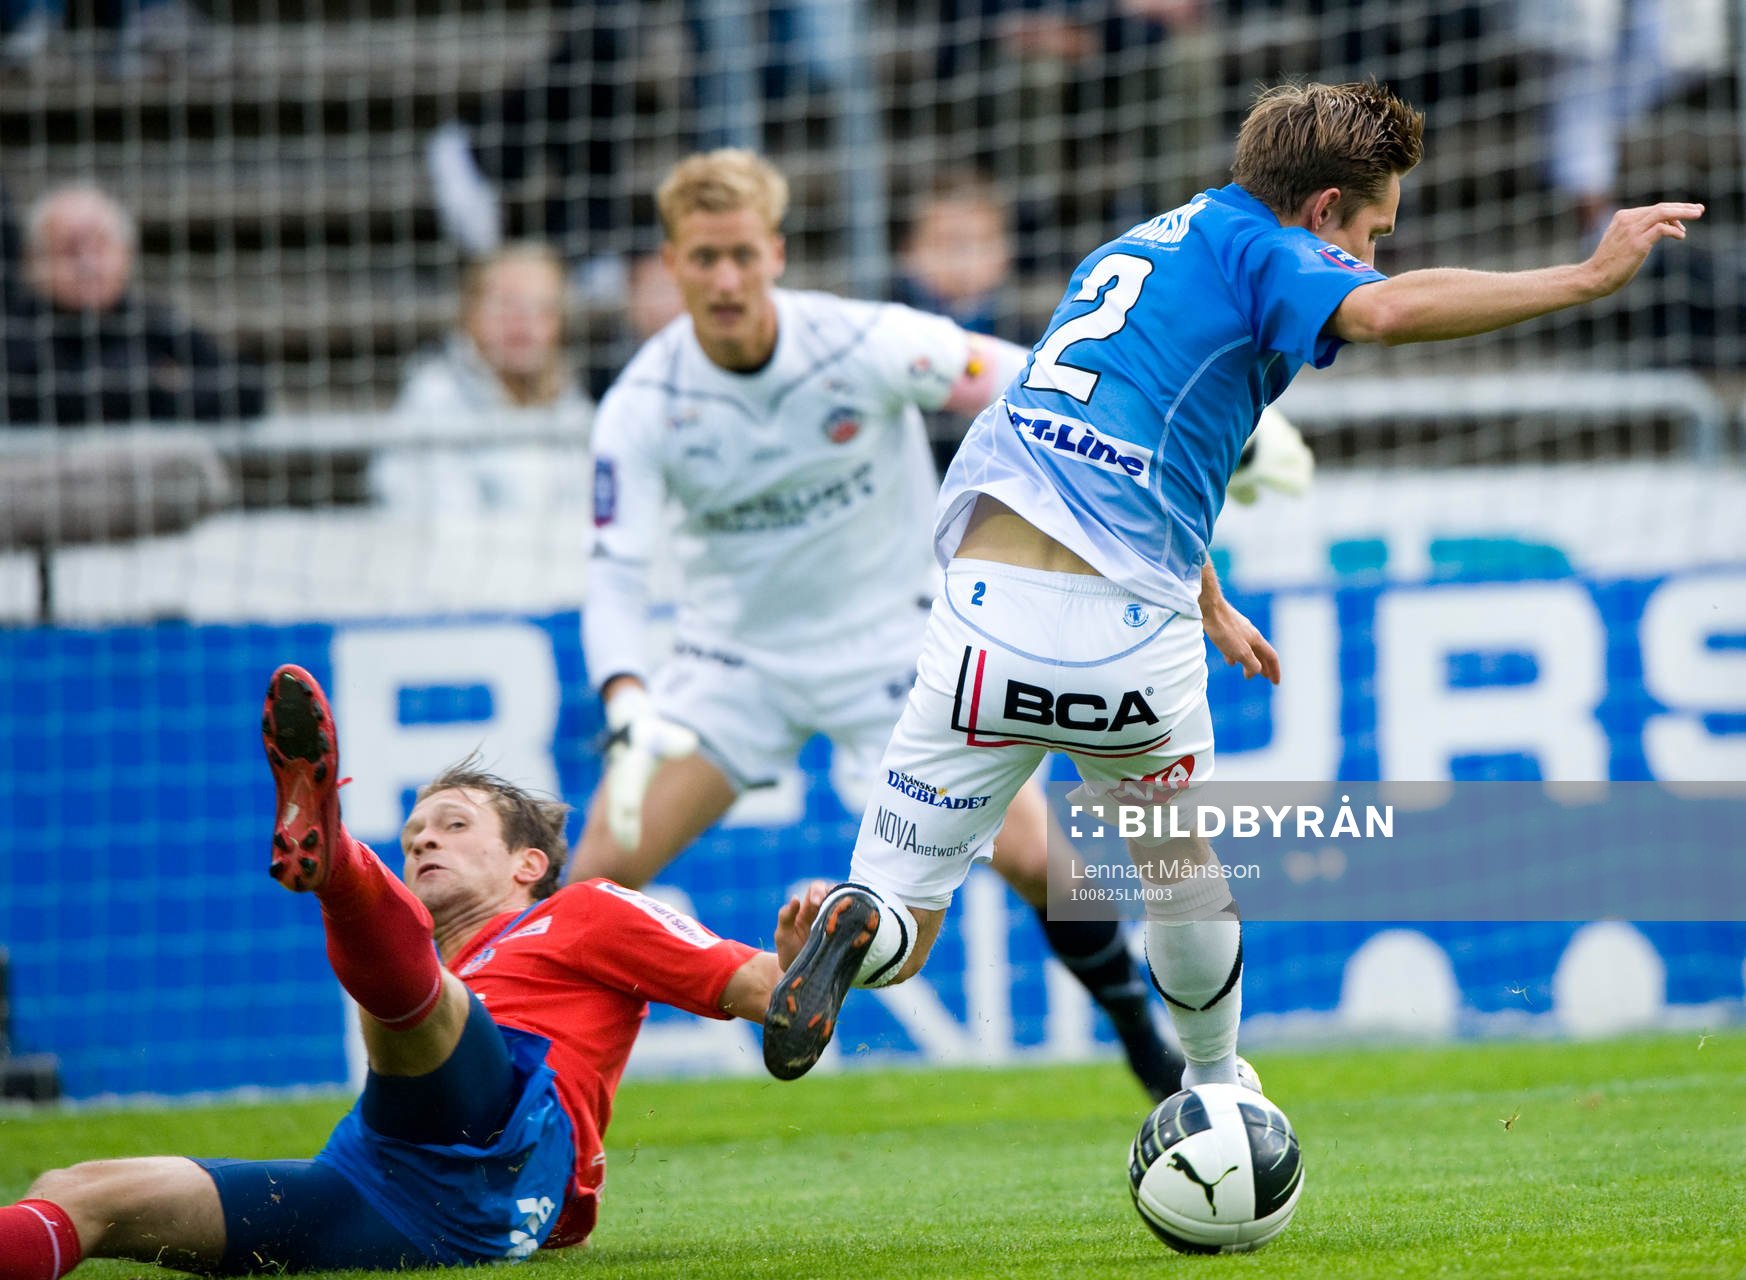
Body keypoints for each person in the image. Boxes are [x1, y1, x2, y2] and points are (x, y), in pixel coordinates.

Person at [763, 79, 1703, 1085]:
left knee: (907, 918)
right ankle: (1213, 1086)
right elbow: (1387, 311)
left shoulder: (1137, 249)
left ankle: (857, 919)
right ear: (1324, 211)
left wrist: (1209, 596)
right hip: (1126, 641)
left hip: (982, 623)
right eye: (1371, 233)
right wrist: (1584, 276)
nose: (1369, 257)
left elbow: (1103, 443)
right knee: (1178, 873)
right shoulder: (1276, 252)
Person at [572, 147, 1190, 1101]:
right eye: (704, 259)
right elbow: (614, 570)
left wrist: (1180, 438)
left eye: (742, 255)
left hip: (896, 647)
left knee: (1038, 858)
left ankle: (1144, 1042)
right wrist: (625, 696)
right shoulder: (643, 403)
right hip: (735, 666)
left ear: (776, 253)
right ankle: (525, 1096)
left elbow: (1031, 380)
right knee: (590, 883)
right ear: (671, 263)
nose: (726, 280)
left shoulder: (862, 341)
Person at [0, 665, 817, 1274]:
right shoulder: (422, 965)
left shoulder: (584, 911)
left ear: (528, 863)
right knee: (78, 1192)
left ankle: (336, 858)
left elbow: (774, 997)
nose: (424, 837)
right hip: (376, 1182)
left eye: (453, 825)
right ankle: (335, 855)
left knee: (426, 1003)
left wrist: (805, 962)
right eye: (414, 832)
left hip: (502, 1154)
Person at [1, 185, 266, 427]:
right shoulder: (16, 331)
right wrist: (150, 385)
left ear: (126, 253)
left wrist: (159, 396)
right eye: (70, 250)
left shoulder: (152, 322)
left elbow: (246, 388)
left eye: (99, 247)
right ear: (35, 261)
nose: (88, 265)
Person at [370, 243, 590, 516]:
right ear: (470, 313)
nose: (523, 323)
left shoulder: (571, 403)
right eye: (506, 305)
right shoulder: (436, 396)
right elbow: (440, 518)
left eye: (542, 308)